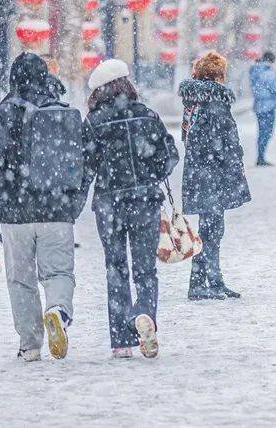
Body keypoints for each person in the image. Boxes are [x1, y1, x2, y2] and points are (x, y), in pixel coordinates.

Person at [0, 53, 91, 361]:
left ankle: (30, 344)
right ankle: (58, 311)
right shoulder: (62, 113)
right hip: (57, 210)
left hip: (15, 213)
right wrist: (73, 201)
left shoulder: (1, 114)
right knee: (59, 271)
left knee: (20, 279)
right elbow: (86, 160)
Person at [85, 59, 179, 358]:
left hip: (109, 202)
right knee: (145, 269)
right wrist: (149, 172)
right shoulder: (147, 116)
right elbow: (168, 156)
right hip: (145, 200)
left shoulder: (94, 122)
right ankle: (145, 314)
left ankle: (120, 341)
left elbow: (86, 165)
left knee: (115, 267)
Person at [179, 51, 250, 301]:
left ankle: (202, 281)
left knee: (206, 229)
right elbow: (226, 142)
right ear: (219, 75)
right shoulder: (216, 102)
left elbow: (186, 137)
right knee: (213, 230)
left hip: (198, 173)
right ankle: (208, 281)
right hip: (214, 174)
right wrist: (233, 165)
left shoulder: (193, 102)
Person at [248, 51, 276, 166]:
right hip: (268, 106)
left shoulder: (255, 70)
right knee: (267, 132)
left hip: (259, 105)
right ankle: (261, 157)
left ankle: (260, 156)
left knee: (262, 131)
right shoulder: (267, 71)